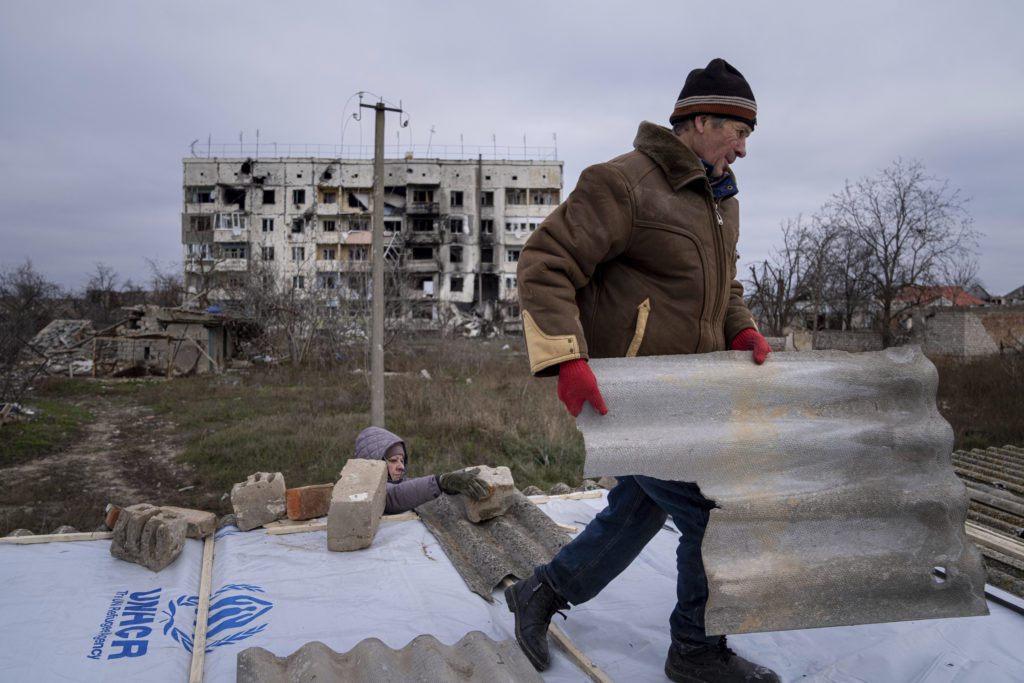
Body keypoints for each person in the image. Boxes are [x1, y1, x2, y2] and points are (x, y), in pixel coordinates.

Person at [506, 59, 779, 683]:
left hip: (690, 396)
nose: (743, 149)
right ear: (699, 120)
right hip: (625, 397)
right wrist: (566, 360)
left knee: (639, 506)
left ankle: (540, 592)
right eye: (737, 132)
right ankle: (696, 652)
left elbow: (720, 285)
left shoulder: (720, 201)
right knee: (714, 515)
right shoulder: (623, 184)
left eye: (749, 137)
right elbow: (545, 264)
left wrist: (741, 327)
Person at [354, 426, 490, 514]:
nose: (401, 466)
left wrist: (452, 480)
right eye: (393, 460)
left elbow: (412, 485)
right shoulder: (361, 489)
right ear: (376, 462)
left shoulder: (397, 482)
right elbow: (393, 496)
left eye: (402, 460)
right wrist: (442, 482)